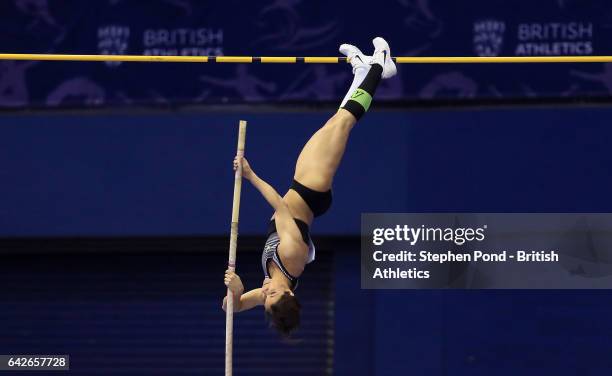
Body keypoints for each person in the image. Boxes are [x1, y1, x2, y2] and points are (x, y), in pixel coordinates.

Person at [222, 37, 397, 337]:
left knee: (334, 123)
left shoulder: (274, 280)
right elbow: (280, 206)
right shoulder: (291, 257)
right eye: (272, 296)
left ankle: (361, 71)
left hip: (304, 191)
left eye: (263, 300)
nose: (264, 294)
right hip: (310, 188)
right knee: (343, 123)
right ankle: (380, 67)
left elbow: (232, 307)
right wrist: (250, 175)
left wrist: (236, 293)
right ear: (289, 295)